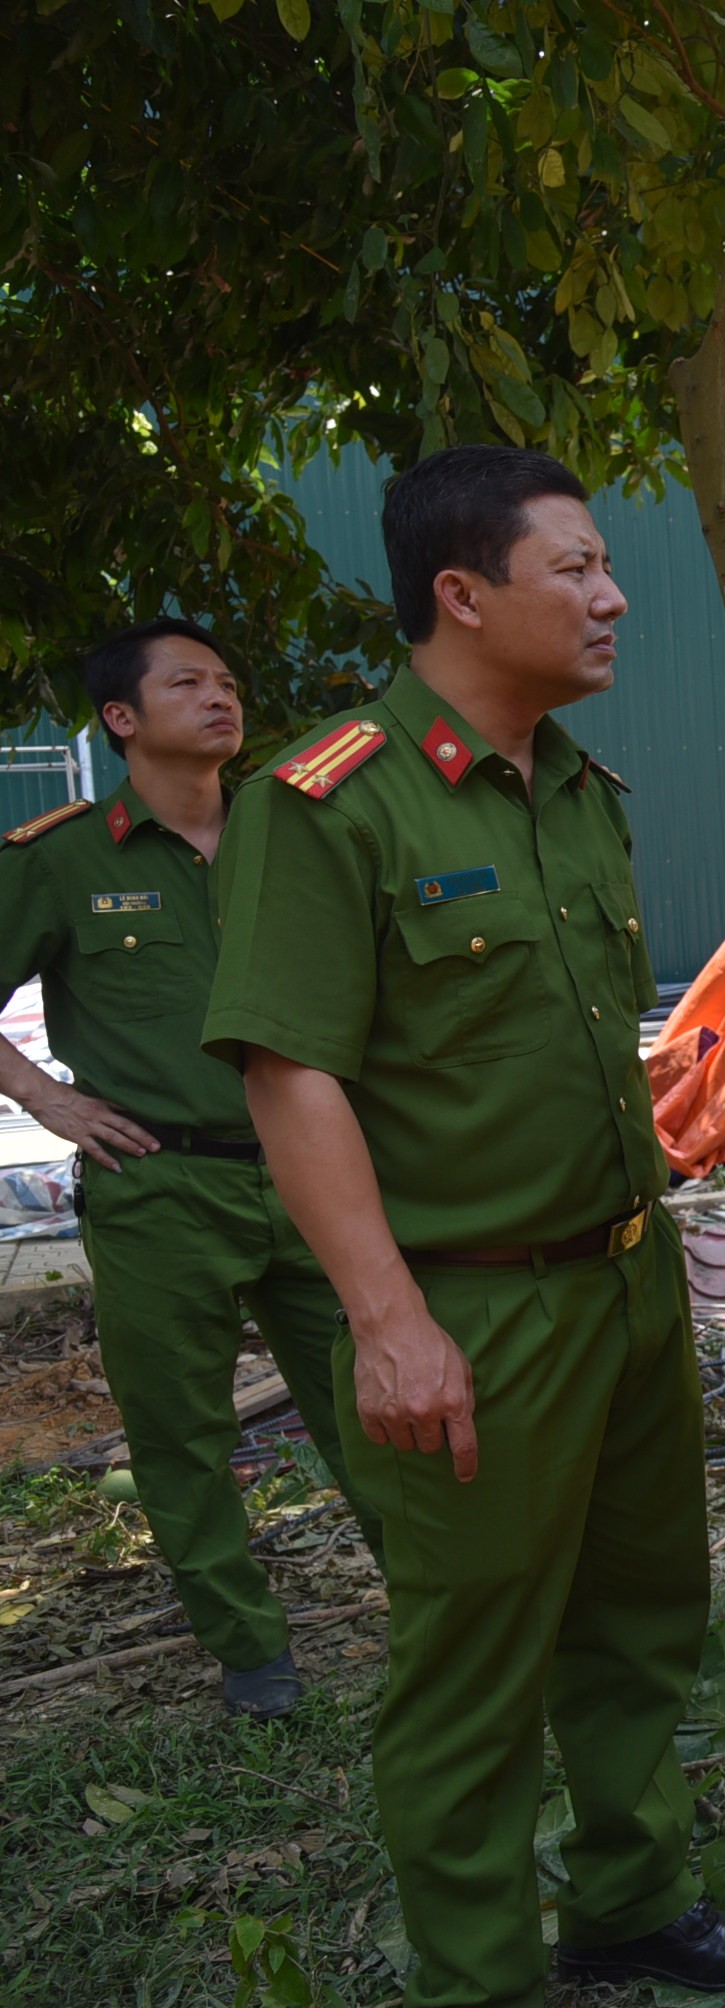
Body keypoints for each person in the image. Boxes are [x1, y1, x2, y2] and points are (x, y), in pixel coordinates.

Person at [203, 447, 725, 2003]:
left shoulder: (578, 791)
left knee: (639, 1623)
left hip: (619, 1282)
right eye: (578, 570)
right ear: (463, 594)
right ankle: (480, 1976)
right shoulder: (327, 798)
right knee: (474, 1668)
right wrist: (388, 1320)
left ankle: (630, 1895)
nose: (615, 599)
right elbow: (293, 1075)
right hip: (468, 1309)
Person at [0, 621, 384, 1721]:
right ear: (121, 717)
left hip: (317, 1175)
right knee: (180, 1435)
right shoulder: (62, 860)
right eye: (187, 684)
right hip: (162, 1190)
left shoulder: (293, 828)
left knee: (379, 1400)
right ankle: (251, 1655)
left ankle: (444, 1608)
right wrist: (44, 1096)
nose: (221, 697)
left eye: (227, 680)